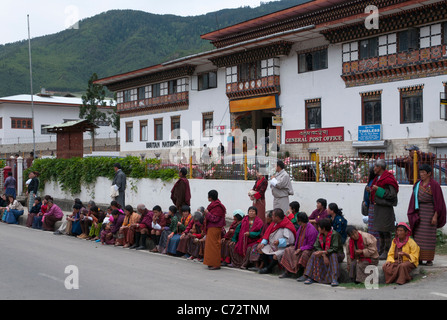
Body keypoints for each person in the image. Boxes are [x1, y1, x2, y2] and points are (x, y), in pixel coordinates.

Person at [407, 164, 446, 266]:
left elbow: (439, 202)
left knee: (429, 237)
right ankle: (419, 258)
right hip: (419, 214)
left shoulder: (434, 185)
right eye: (420, 172)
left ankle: (429, 259)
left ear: (429, 174)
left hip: (430, 214)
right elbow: (413, 200)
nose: (422, 174)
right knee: (418, 237)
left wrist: (435, 216)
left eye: (424, 172)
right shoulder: (417, 185)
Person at [369, 159, 399, 260]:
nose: (374, 169)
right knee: (380, 230)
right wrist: (371, 190)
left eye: (375, 167)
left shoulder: (388, 178)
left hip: (385, 208)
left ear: (380, 167)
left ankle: (387, 251)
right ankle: (381, 250)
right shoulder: (378, 178)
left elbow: (392, 194)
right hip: (379, 207)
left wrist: (378, 190)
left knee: (386, 231)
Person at [302, 218, 345, 287]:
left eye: (319, 227)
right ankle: (311, 277)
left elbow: (335, 248)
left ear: (323, 228)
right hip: (325, 253)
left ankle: (334, 278)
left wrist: (323, 252)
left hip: (337, 254)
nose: (318, 228)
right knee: (314, 254)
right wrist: (323, 254)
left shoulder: (334, 234)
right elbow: (316, 245)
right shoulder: (320, 235)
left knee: (333, 255)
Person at [280, 212, 319, 279]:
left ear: (300, 221)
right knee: (288, 250)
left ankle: (305, 274)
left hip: (308, 249)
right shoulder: (301, 227)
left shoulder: (311, 230)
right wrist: (297, 247)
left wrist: (301, 249)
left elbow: (311, 245)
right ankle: (287, 272)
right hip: (299, 247)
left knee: (305, 254)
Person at [257, 208, 296, 274]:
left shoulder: (287, 225)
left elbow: (290, 240)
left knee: (276, 255)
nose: (271, 217)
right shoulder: (274, 223)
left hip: (283, 248)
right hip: (272, 246)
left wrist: (279, 242)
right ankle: (266, 267)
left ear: (277, 217)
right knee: (261, 249)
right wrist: (263, 243)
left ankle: (268, 269)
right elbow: (267, 234)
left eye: (272, 215)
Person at [203, 190, 227, 270]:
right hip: (211, 227)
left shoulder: (218, 206)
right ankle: (210, 262)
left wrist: (207, 213)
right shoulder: (213, 205)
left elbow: (215, 218)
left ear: (210, 197)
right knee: (210, 246)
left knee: (214, 246)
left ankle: (216, 264)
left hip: (215, 227)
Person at [364, 167, 380, 251]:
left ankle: (373, 247)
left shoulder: (373, 182)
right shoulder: (375, 181)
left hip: (373, 206)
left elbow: (366, 197)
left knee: (373, 229)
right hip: (374, 206)